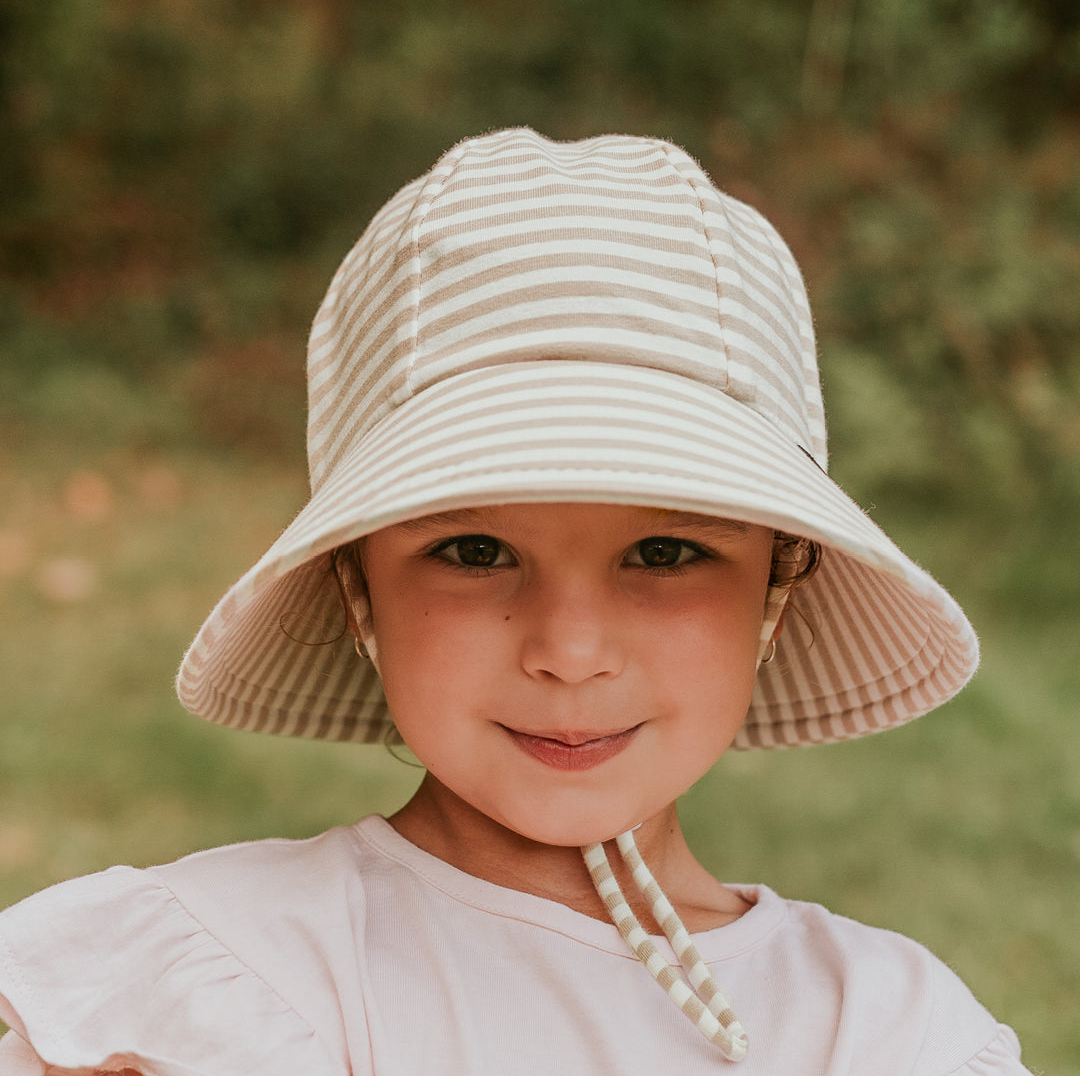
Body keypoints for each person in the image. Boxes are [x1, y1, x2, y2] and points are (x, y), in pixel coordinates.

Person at [0, 127, 1031, 1074]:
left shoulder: (884, 1031)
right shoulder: (213, 985)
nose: (571, 651)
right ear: (358, 590)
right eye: (474, 547)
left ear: (777, 585)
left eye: (665, 549)